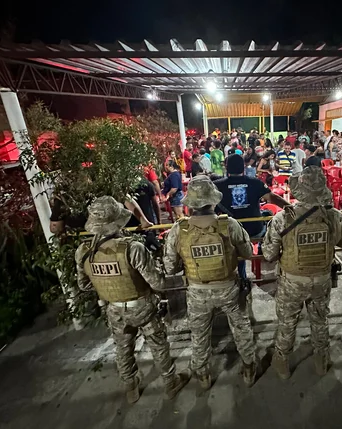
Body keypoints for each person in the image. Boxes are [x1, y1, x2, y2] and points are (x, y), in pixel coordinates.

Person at [75, 196, 190, 403]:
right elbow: (158, 284)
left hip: (114, 310)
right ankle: (171, 383)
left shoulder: (84, 252)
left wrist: (108, 286)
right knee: (158, 344)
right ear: (117, 220)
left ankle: (130, 388)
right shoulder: (132, 248)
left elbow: (84, 285)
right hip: (142, 307)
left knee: (122, 347)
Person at [163, 176, 258, 390]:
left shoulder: (179, 230)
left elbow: (171, 268)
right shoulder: (229, 225)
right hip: (228, 289)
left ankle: (203, 376)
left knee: (199, 334)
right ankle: (249, 368)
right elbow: (247, 253)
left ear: (190, 204)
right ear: (213, 201)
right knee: (241, 327)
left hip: (197, 291)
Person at [262, 167, 342, 378]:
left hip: (292, 282)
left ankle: (282, 362)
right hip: (322, 280)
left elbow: (268, 254)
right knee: (320, 319)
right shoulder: (334, 216)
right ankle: (322, 360)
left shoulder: (282, 219)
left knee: (287, 322)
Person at [215, 155, 290, 279]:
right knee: (268, 218)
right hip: (254, 230)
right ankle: (261, 250)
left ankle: (241, 273)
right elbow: (273, 198)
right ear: (244, 167)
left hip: (229, 233)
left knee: (234, 241)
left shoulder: (217, 186)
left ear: (227, 168)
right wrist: (291, 208)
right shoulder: (255, 182)